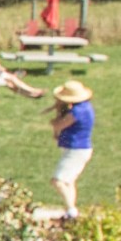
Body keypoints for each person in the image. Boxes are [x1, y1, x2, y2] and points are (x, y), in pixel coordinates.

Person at [49, 80, 94, 219]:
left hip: (76, 149)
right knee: (68, 181)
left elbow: (59, 125)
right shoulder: (85, 107)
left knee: (58, 181)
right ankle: (70, 210)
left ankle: (72, 210)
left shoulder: (77, 111)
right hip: (80, 149)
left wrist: (55, 121)